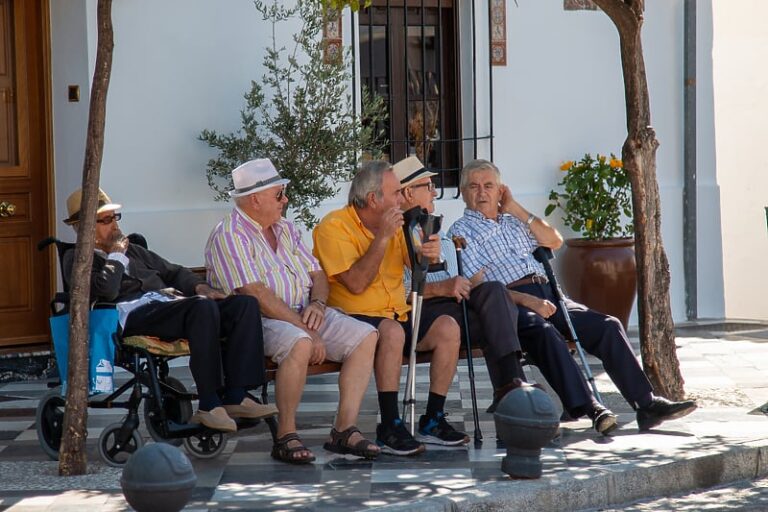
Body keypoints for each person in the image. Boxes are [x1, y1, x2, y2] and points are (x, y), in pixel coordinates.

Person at [447, 159, 697, 432]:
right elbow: (478, 287)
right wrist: (530, 301)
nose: (482, 192)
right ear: (463, 192)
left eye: (489, 186)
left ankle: (647, 405)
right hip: (511, 303)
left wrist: (516, 209)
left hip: (552, 295)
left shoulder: (514, 222)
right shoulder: (461, 231)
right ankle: (591, 407)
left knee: (608, 326)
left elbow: (554, 240)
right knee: (546, 333)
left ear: (501, 190)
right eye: (474, 186)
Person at [205, 159, 380, 465]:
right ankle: (286, 435)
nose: (285, 200)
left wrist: (319, 304)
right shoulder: (230, 234)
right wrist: (306, 329)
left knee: (365, 336)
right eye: (279, 194)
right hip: (259, 322)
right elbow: (255, 294)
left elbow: (318, 276)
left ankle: (343, 429)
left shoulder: (286, 228)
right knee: (300, 343)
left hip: (303, 313)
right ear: (254, 199)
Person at [61, 187, 276, 434]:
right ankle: (209, 403)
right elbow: (106, 290)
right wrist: (116, 255)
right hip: (131, 315)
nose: (115, 225)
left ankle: (236, 395)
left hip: (166, 306)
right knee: (201, 309)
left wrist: (200, 286)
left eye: (115, 217)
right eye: (106, 220)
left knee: (243, 305)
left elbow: (173, 271)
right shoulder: (76, 258)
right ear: (85, 227)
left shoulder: (134, 250)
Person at [313, 160, 469, 456]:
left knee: (448, 327)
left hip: (397, 312)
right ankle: (390, 424)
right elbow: (356, 283)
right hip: (355, 318)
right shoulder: (333, 227)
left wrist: (429, 253)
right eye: (396, 193)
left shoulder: (398, 225)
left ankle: (433, 418)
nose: (401, 199)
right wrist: (383, 237)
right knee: (392, 331)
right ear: (374, 199)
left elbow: (419, 265)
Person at [393, 156, 531, 411]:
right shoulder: (395, 231)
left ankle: (510, 385)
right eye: (428, 186)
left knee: (494, 291)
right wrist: (441, 287)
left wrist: (463, 282)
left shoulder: (433, 226)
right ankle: (511, 388)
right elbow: (394, 290)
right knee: (499, 314)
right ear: (409, 192)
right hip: (422, 313)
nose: (435, 191)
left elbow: (459, 276)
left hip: (454, 305)